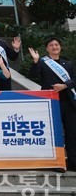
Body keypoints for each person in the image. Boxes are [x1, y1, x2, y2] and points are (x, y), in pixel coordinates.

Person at [28, 38, 75, 171]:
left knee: (72, 134)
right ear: (47, 49)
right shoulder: (43, 63)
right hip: (51, 103)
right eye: (51, 45)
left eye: (56, 44)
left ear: (60, 47)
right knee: (55, 134)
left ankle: (73, 163)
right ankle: (57, 163)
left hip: (69, 103)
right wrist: (36, 61)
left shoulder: (68, 64)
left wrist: (65, 85)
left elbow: (74, 80)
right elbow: (31, 75)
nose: (54, 47)